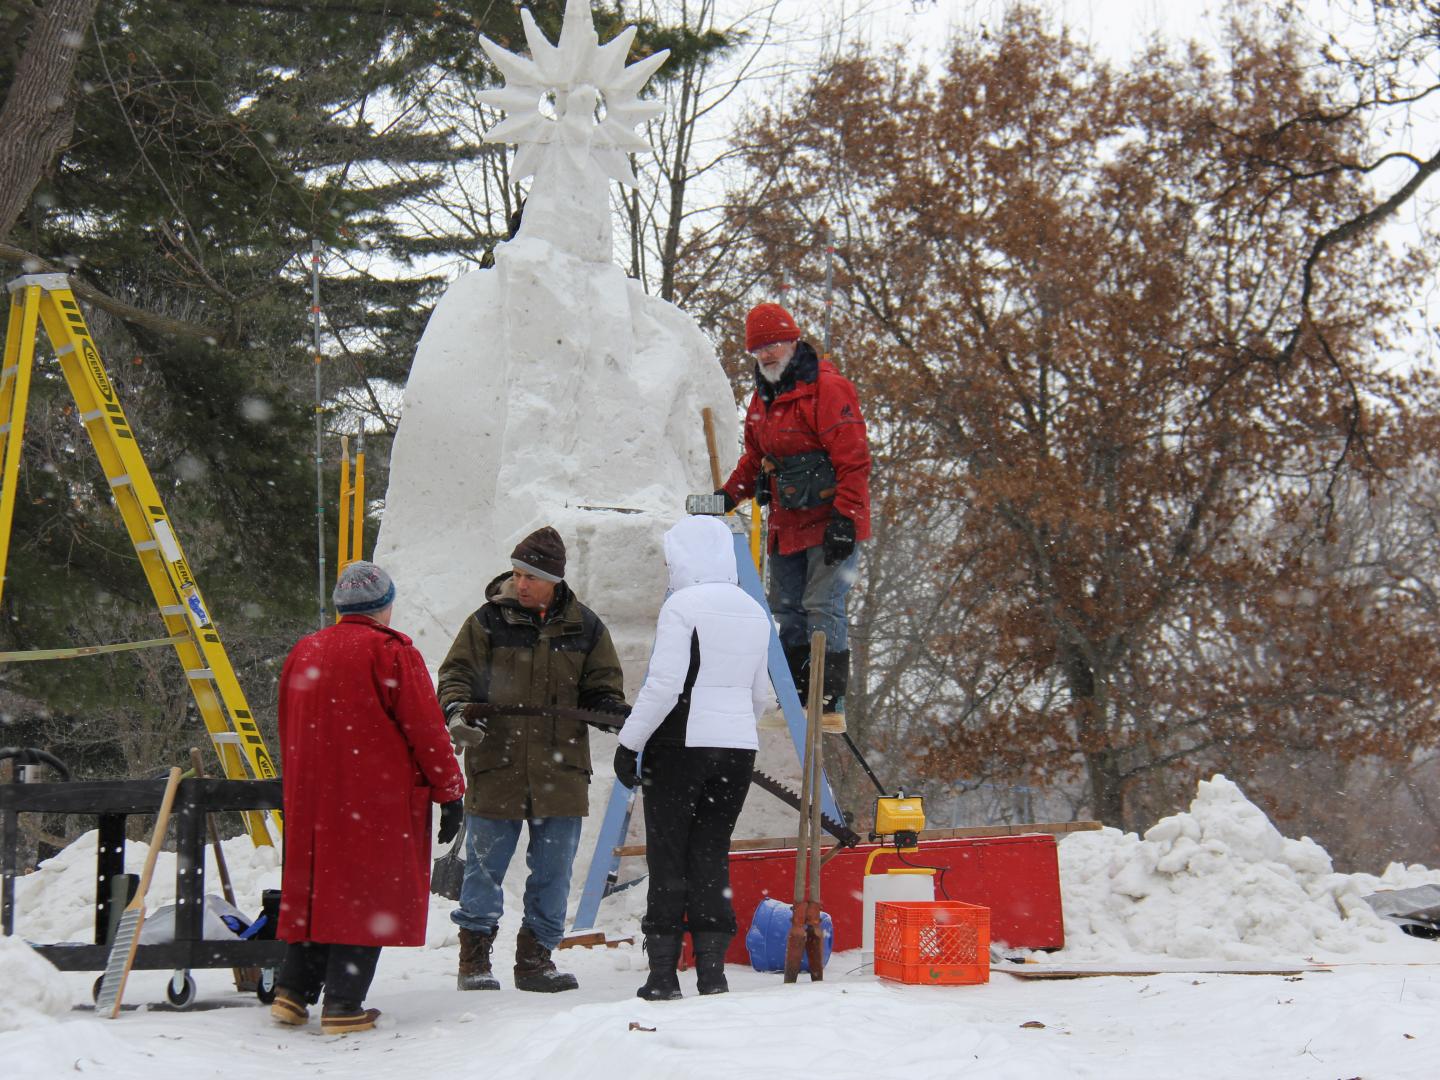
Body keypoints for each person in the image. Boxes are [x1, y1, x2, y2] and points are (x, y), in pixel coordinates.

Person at [272, 561, 465, 1035]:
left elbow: (285, 724)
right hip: (373, 801)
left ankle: (292, 993)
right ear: (385, 604)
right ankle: (343, 1005)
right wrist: (450, 790)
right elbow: (426, 729)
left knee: (316, 890)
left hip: (313, 800)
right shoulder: (390, 652)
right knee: (365, 896)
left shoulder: (305, 651)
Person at [438, 525, 628, 993]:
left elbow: (603, 686)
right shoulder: (486, 621)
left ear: (555, 581)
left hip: (561, 772)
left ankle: (535, 960)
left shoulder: (586, 627)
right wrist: (457, 712)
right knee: (484, 869)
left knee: (553, 872)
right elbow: (455, 676)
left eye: (532, 576)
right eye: (518, 573)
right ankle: (474, 959)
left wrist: (608, 712)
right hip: (496, 765)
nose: (521, 583)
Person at [612, 514, 770, 1000]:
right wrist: (733, 727)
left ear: (683, 558)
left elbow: (663, 685)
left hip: (680, 743)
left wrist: (629, 742)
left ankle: (662, 975)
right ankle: (712, 972)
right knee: (710, 853)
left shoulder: (683, 605)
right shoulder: (752, 608)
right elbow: (761, 694)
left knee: (668, 855)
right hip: (737, 748)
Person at [718, 301, 872, 726]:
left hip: (830, 520)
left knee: (822, 603)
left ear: (793, 340)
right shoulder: (762, 397)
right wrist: (725, 497)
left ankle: (827, 703)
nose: (767, 354)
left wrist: (846, 518)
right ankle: (794, 698)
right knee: (787, 610)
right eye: (759, 349)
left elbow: (854, 458)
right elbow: (755, 457)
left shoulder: (827, 387)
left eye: (775, 344)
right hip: (787, 521)